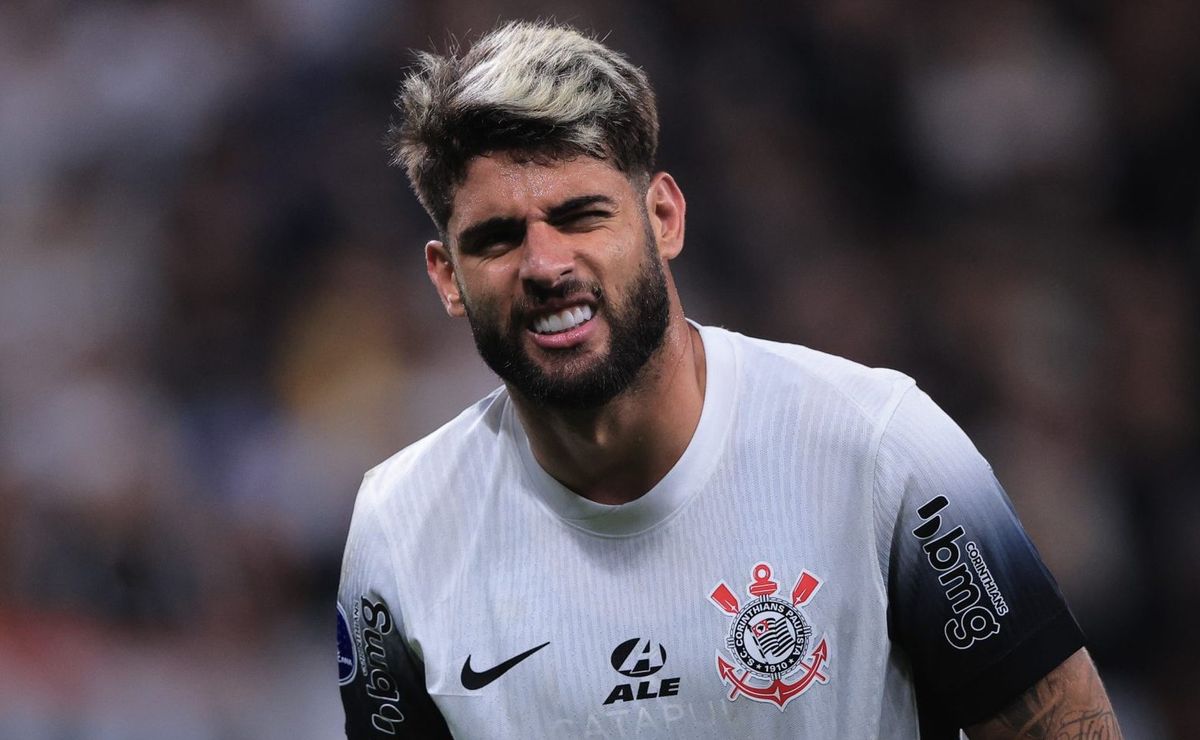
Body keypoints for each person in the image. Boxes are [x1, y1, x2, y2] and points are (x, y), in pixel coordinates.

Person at [336, 20, 1121, 739]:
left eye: (581, 216)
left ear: (664, 218)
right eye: (498, 238)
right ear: (446, 277)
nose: (545, 265)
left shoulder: (882, 448)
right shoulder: (399, 532)